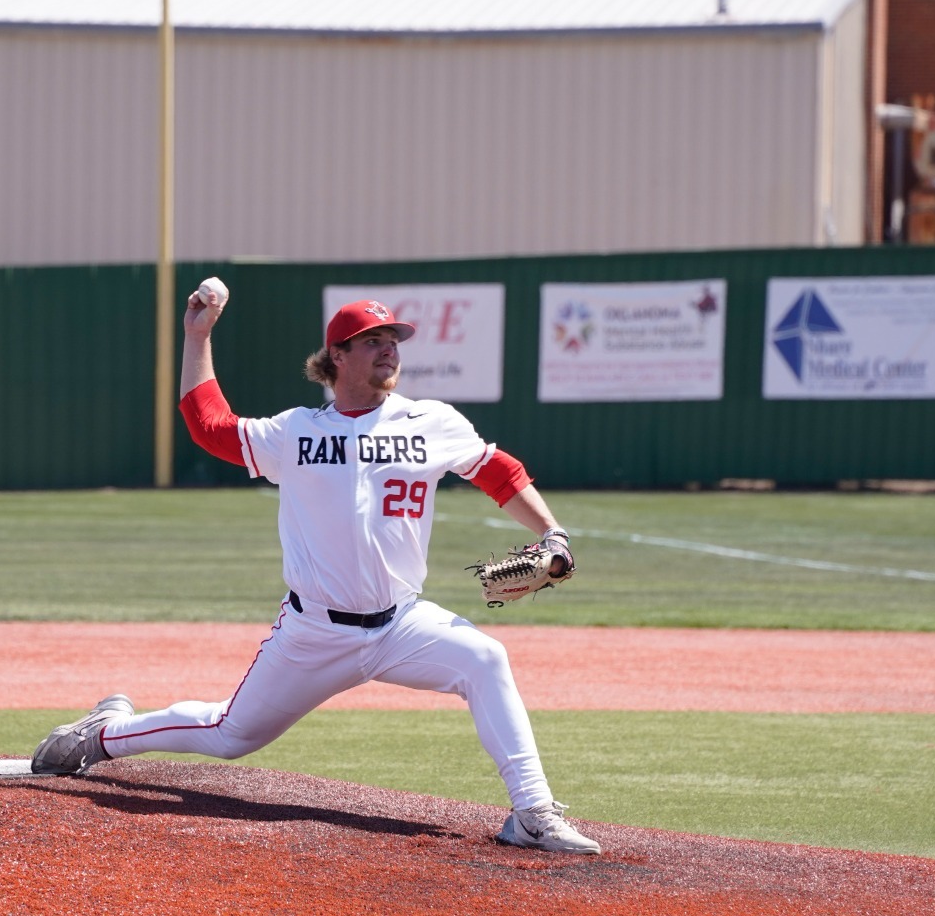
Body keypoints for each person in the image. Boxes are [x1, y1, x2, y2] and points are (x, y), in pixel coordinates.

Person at [30, 285, 600, 854]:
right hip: (313, 632)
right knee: (231, 735)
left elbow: (499, 470)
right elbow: (209, 426)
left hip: (401, 625)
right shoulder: (295, 431)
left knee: (485, 658)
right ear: (336, 358)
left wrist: (551, 533)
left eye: (393, 340)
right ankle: (104, 734)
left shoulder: (432, 422)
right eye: (371, 341)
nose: (388, 350)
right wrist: (197, 336)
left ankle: (531, 812)